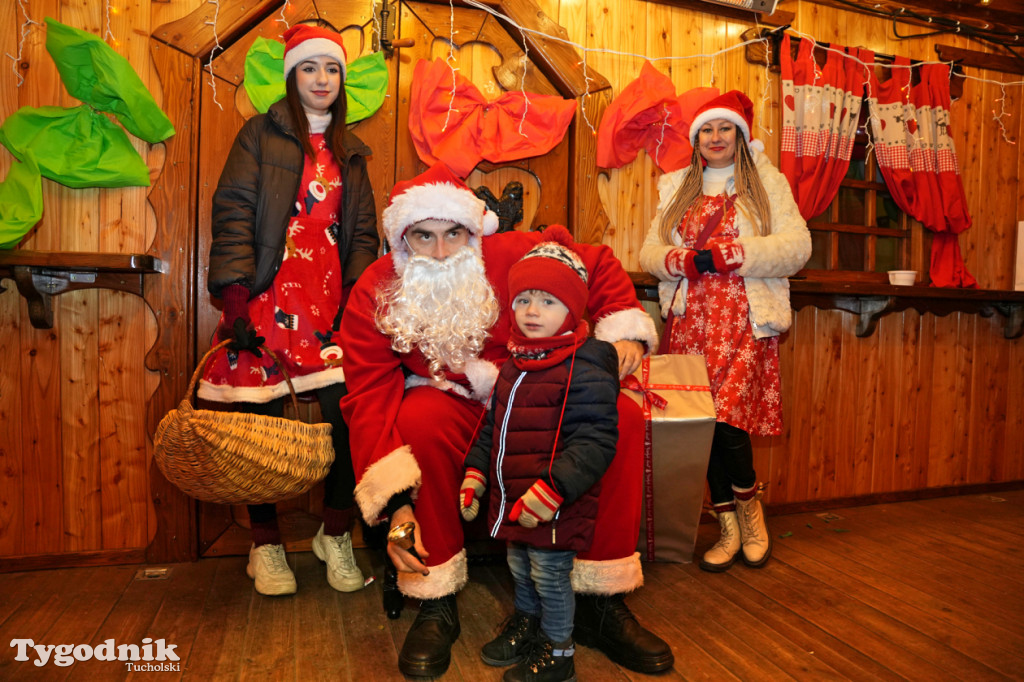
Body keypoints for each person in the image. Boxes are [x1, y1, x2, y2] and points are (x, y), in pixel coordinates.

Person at [340, 162, 673, 678]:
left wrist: (624, 331)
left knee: (622, 416)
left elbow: (597, 263)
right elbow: (367, 397)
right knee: (420, 417)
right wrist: (397, 507)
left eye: (454, 233)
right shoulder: (376, 289)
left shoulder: (508, 253)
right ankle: (435, 596)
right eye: (424, 237)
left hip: (540, 389)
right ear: (401, 239)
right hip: (454, 403)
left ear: (474, 230)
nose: (443, 251)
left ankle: (599, 600)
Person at [200, 22, 380, 596]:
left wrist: (357, 303)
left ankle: (335, 532)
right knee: (258, 427)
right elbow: (232, 211)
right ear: (291, 75)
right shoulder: (259, 134)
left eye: (331, 69)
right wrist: (233, 298)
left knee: (348, 419)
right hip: (266, 299)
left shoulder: (353, 152)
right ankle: (265, 544)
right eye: (310, 67)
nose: (322, 78)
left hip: (329, 306)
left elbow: (364, 238)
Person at [639, 90, 810, 573]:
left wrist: (740, 253)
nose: (715, 138)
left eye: (725, 128)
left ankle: (751, 512)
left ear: (739, 135)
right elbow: (648, 251)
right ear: (696, 140)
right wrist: (674, 260)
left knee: (730, 422)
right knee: (700, 423)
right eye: (706, 130)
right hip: (691, 318)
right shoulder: (675, 188)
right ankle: (727, 525)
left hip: (744, 318)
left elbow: (798, 247)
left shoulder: (768, 185)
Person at [460, 228, 620, 682]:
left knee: (549, 577)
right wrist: (475, 472)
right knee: (519, 568)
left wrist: (553, 489)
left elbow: (595, 442)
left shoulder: (585, 369)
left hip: (553, 503)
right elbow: (495, 427)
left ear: (573, 308)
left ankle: (559, 652)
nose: (532, 311)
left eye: (548, 301)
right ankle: (527, 629)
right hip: (514, 500)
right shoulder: (516, 363)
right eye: (523, 299)